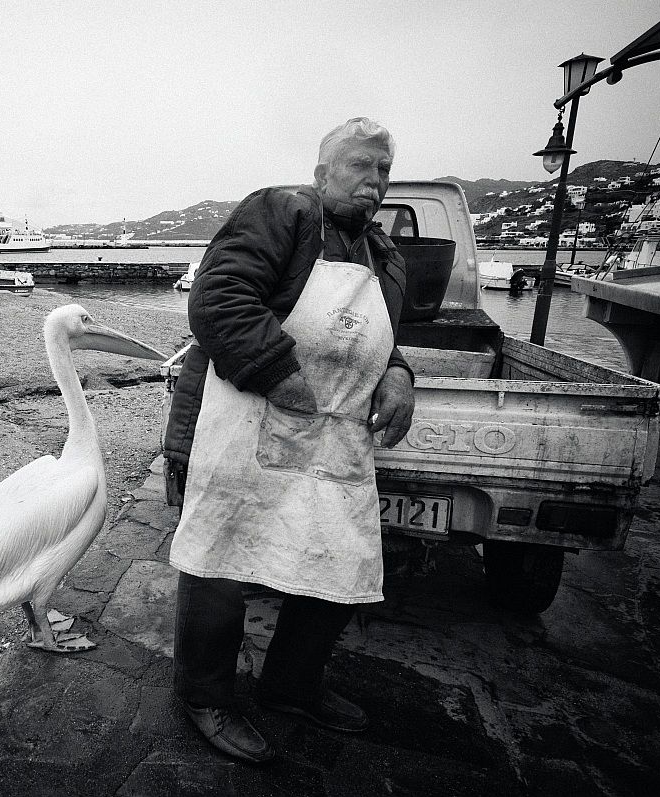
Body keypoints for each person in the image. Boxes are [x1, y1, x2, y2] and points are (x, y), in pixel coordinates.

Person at [163, 117, 416, 764]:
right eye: (361, 165)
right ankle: (204, 693)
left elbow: (382, 339)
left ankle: (291, 686)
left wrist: (398, 374)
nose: (374, 180)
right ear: (323, 172)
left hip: (335, 441)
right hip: (245, 422)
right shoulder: (282, 213)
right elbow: (219, 299)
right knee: (220, 560)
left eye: (383, 170)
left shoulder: (384, 257)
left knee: (339, 557)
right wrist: (282, 376)